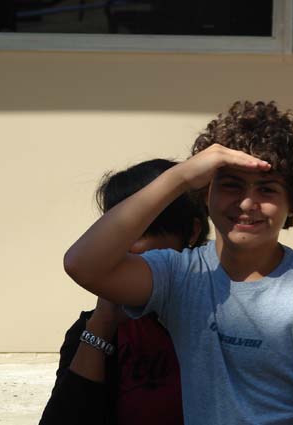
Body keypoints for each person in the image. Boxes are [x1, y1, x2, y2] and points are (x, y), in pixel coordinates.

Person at [63, 101, 293, 424]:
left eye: (267, 189)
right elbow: (83, 264)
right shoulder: (181, 275)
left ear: (292, 204)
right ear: (205, 193)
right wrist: (180, 177)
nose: (247, 203)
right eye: (231, 185)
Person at [39, 158, 210, 425]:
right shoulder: (98, 327)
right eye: (115, 235)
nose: (121, 249)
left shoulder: (223, 318)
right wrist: (101, 326)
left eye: (139, 232)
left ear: (191, 232)